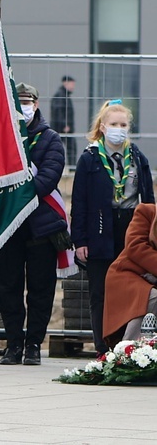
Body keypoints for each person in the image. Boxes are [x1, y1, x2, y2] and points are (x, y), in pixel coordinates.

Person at [71, 100, 154, 357]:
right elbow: (79, 202)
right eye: (114, 124)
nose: (119, 129)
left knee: (131, 286)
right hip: (99, 227)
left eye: (124, 125)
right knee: (100, 289)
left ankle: (128, 344)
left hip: (131, 224)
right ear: (103, 127)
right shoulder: (90, 158)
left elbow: (148, 200)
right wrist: (80, 240)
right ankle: (102, 346)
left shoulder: (137, 157)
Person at [0, 83, 68, 366]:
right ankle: (13, 343)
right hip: (8, 226)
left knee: (41, 288)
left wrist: (19, 196)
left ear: (36, 105)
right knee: (7, 287)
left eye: (27, 102)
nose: (23, 106)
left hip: (41, 225)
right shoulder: (2, 138)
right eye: (19, 101)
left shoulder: (50, 139)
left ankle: (34, 343)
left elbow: (50, 175)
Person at [102, 203, 157, 348]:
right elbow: (134, 246)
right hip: (126, 274)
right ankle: (128, 353)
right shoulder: (147, 211)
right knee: (149, 299)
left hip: (150, 280)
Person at [50, 75, 77, 166]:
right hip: (62, 129)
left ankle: (71, 167)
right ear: (65, 83)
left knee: (68, 148)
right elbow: (58, 111)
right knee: (69, 148)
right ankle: (70, 167)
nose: (73, 87)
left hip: (64, 128)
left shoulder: (64, 95)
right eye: (72, 84)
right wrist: (64, 125)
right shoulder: (60, 95)